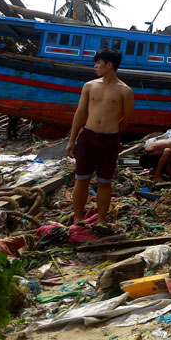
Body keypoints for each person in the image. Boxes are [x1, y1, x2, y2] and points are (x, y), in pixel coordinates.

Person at [66, 49, 135, 234]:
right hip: (87, 136)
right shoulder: (90, 86)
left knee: (105, 181)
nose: (95, 66)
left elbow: (127, 118)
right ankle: (78, 217)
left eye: (99, 63)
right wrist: (72, 140)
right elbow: (80, 113)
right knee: (82, 179)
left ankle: (102, 220)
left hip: (109, 140)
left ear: (109, 65)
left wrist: (113, 133)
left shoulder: (125, 91)